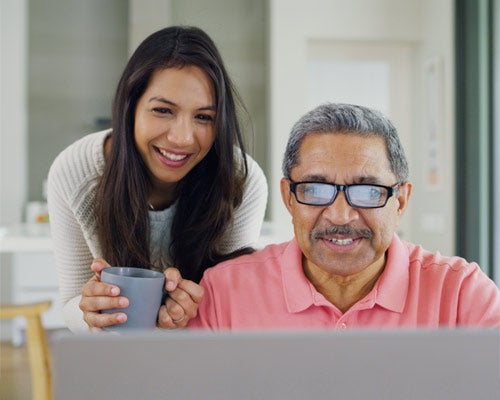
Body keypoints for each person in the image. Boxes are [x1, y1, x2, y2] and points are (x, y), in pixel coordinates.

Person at [188, 103, 500, 330]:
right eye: (316, 189)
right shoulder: (224, 293)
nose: (341, 215)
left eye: (367, 192)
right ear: (288, 197)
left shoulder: (462, 294)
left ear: (401, 200)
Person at [47, 26, 268, 333]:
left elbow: (233, 308)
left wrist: (191, 315)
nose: (182, 138)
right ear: (130, 108)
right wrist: (93, 314)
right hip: (118, 358)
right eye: (163, 110)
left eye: (204, 117)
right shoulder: (76, 172)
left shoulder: (240, 180)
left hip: (204, 357)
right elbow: (72, 303)